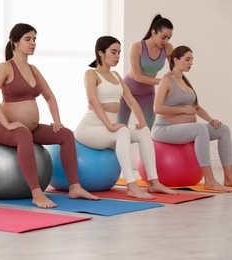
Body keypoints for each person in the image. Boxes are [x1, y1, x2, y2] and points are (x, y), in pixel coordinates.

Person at [0, 23, 99, 208]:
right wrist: (6, 123)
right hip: (0, 127)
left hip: (30, 128)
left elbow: (49, 96)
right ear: (15, 42)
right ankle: (36, 193)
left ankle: (75, 187)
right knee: (23, 134)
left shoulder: (33, 70)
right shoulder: (5, 67)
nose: (33, 43)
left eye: (34, 39)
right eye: (28, 39)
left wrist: (56, 120)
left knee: (66, 134)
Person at [74, 36, 177, 199]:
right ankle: (131, 186)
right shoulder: (91, 74)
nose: (117, 56)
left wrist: (142, 122)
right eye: (113, 52)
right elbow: (93, 101)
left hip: (106, 129)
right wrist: (110, 125)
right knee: (122, 131)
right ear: (101, 53)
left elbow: (131, 100)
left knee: (144, 132)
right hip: (88, 129)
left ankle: (153, 182)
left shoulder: (116, 76)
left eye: (119, 53)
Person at [152, 45, 232, 192]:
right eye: (187, 59)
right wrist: (182, 110)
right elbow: (157, 108)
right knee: (199, 129)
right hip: (163, 129)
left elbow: (196, 107)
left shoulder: (185, 82)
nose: (190, 63)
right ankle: (210, 180)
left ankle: (229, 177)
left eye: (192, 60)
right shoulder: (166, 80)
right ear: (175, 59)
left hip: (184, 130)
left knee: (223, 129)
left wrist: (211, 120)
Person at [117, 14, 174, 129]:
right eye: (163, 37)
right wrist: (163, 81)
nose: (166, 41)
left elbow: (175, 69)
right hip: (127, 92)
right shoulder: (137, 47)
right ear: (153, 33)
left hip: (147, 94)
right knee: (120, 129)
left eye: (169, 38)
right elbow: (138, 76)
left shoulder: (168, 48)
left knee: (147, 130)